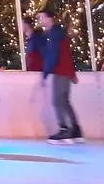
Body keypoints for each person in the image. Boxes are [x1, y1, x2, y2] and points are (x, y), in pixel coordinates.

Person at [27, 9, 85, 144]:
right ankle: (75, 130)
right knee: (64, 101)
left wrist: (46, 73)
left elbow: (53, 55)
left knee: (58, 101)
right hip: (65, 71)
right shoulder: (57, 33)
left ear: (49, 18)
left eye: (41, 18)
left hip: (60, 71)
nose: (39, 21)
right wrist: (72, 73)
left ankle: (65, 128)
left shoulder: (54, 34)